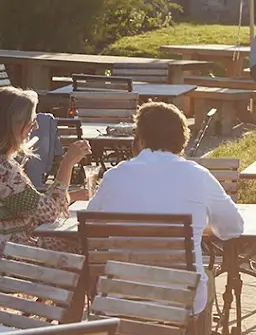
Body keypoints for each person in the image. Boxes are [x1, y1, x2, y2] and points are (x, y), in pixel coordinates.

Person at [87, 101, 244, 335]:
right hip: (180, 298)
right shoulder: (198, 175)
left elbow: (92, 225)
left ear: (140, 138)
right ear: (182, 139)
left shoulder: (115, 176)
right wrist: (202, 226)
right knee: (206, 281)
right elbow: (234, 228)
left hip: (120, 293)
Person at [0, 87, 92, 288]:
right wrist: (67, 163)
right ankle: (64, 317)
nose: (35, 125)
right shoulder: (3, 169)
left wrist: (72, 195)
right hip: (2, 260)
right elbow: (50, 213)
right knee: (84, 254)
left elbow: (25, 204)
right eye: (31, 121)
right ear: (14, 125)